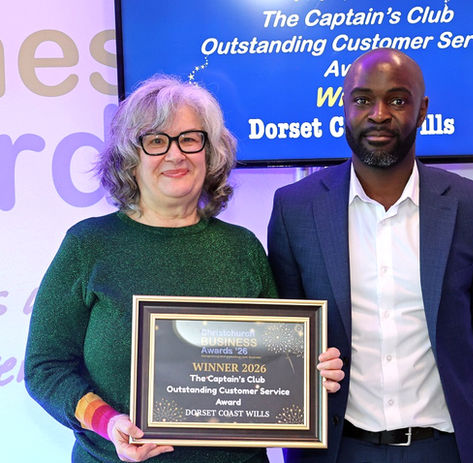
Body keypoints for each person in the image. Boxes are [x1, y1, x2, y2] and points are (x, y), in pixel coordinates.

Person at [25, 75, 340, 463]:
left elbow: (276, 362)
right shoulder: (88, 245)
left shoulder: (242, 248)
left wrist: (310, 373)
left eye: (190, 139)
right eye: (157, 141)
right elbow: (45, 367)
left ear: (211, 153)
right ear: (130, 157)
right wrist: (108, 422)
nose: (176, 154)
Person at [268, 48, 473, 463]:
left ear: (422, 111)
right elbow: (287, 332)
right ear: (344, 106)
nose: (379, 114)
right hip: (333, 449)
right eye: (363, 99)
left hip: (443, 448)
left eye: (397, 100)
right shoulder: (295, 208)